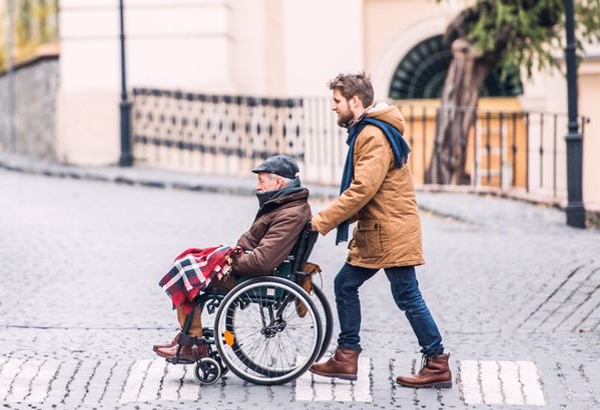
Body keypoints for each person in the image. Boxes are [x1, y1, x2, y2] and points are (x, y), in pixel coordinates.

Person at [306, 72, 451, 388]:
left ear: (354, 101)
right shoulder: (370, 131)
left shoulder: (371, 135)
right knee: (351, 285)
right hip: (385, 228)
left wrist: (321, 220)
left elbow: (363, 189)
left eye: (337, 102)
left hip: (389, 231)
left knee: (403, 294)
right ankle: (348, 355)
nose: (334, 108)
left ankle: (435, 361)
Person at [153, 155, 312, 362]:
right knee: (189, 261)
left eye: (262, 181)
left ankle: (191, 340)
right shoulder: (287, 206)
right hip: (252, 267)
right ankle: (187, 336)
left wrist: (228, 263)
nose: (258, 186)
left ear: (279, 182)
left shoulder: (289, 213)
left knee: (189, 274)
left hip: (254, 275)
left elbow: (263, 260)